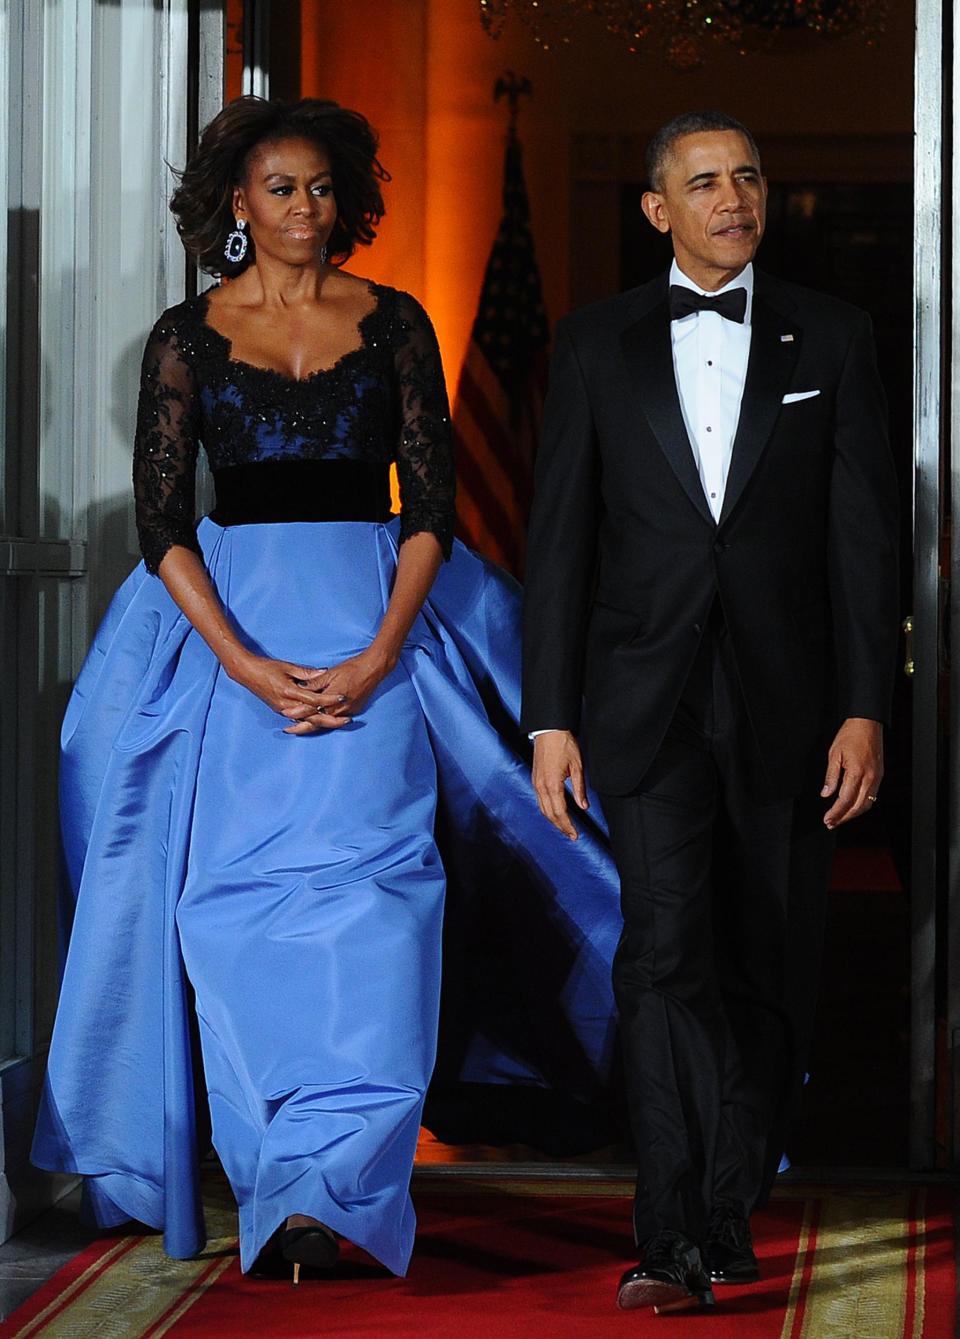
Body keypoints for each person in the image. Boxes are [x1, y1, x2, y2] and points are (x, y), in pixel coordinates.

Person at [33, 96, 623, 1283]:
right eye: (279, 189)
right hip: (228, 642)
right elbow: (161, 525)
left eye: (320, 187)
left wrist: (377, 653)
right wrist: (244, 664)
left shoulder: (396, 323)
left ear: (346, 197)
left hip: (376, 630)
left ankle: (349, 1185)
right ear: (234, 206)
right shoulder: (184, 337)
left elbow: (436, 509)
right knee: (239, 921)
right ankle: (282, 1193)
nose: (304, 209)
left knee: (378, 910)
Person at [522, 110, 899, 1314]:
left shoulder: (834, 337)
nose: (733, 196)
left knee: (768, 963)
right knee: (665, 953)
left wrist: (862, 707)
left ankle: (730, 1212)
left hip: (791, 709)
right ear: (656, 209)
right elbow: (560, 543)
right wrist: (550, 717)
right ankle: (670, 1226)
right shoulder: (593, 345)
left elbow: (862, 547)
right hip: (643, 705)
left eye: (748, 176)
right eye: (705, 181)